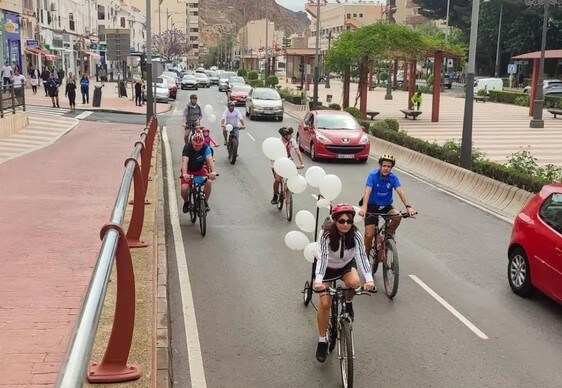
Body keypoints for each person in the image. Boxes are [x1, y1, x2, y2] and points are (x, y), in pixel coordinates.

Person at [313, 204, 375, 363]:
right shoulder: (326, 234)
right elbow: (323, 258)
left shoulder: (355, 234)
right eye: (341, 220)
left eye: (349, 221)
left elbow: (361, 256)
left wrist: (369, 280)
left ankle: (348, 302)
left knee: (354, 282)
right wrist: (318, 281)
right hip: (326, 267)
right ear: (335, 220)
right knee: (325, 303)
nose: (346, 224)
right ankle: (321, 341)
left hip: (345, 265)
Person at [358, 154, 417, 284]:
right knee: (369, 234)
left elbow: (400, 192)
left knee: (397, 216)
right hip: (372, 207)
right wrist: (364, 208)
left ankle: (388, 236)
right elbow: (367, 192)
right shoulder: (373, 176)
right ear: (380, 166)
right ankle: (366, 260)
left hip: (386, 206)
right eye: (384, 166)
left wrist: (409, 207)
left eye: (388, 167)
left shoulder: (393, 178)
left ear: (391, 168)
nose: (385, 168)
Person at [180, 132, 217, 213]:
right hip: (188, 171)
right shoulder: (187, 147)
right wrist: (185, 174)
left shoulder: (205, 147)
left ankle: (205, 202)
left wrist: (213, 172)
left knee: (209, 182)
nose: (197, 147)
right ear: (192, 143)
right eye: (195, 145)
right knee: (184, 188)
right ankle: (186, 202)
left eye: (199, 145)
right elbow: (185, 161)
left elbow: (209, 159)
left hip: (200, 170)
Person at [271, 126, 305, 205]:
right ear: (285, 136)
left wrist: (302, 163)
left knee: (292, 176)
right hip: (278, 161)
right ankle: (275, 195)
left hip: (288, 161)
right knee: (278, 179)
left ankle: (288, 189)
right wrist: (273, 165)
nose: (292, 136)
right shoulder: (278, 142)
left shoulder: (292, 141)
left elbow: (298, 153)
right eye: (290, 135)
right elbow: (272, 155)